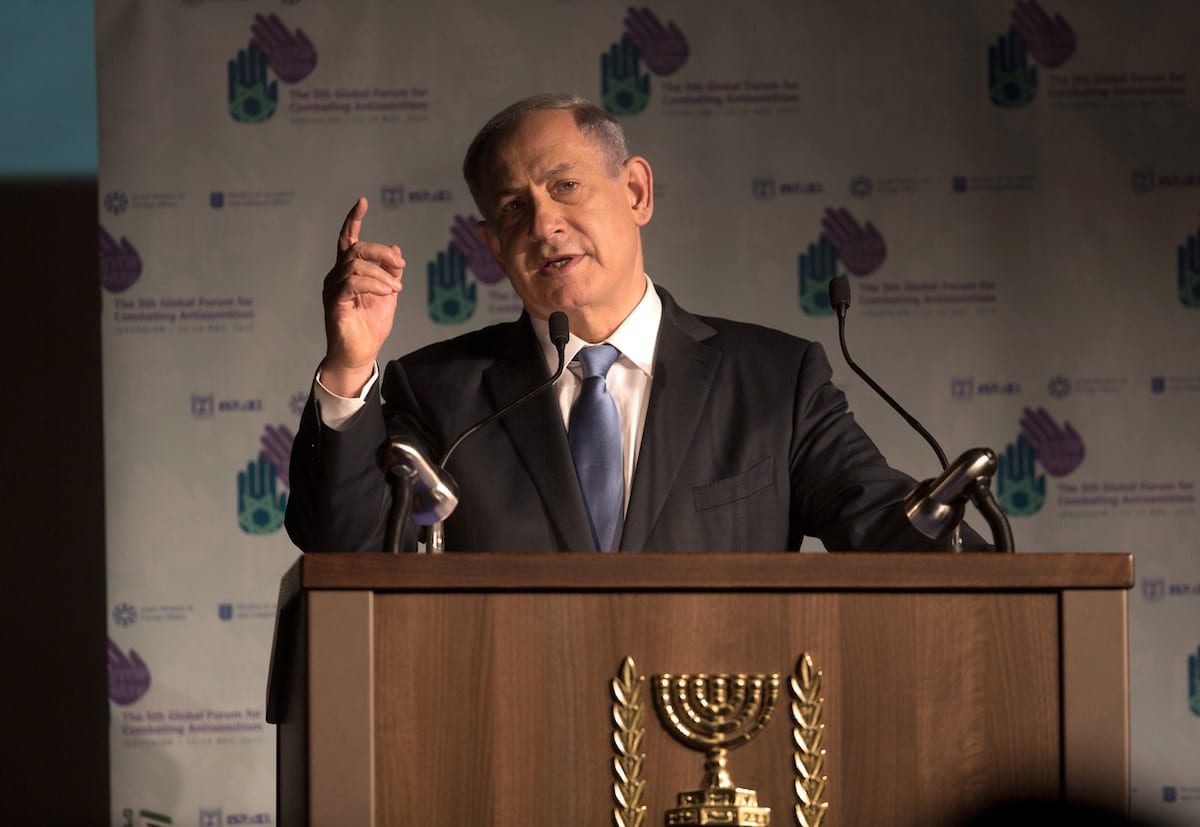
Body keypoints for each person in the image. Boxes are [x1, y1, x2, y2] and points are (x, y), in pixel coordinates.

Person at [285, 92, 988, 553]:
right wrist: (349, 368)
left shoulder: (776, 382)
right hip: (513, 751)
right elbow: (343, 549)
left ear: (636, 191)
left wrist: (969, 551)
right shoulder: (440, 393)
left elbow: (887, 529)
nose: (545, 224)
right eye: (513, 210)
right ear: (493, 247)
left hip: (721, 756)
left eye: (564, 186)